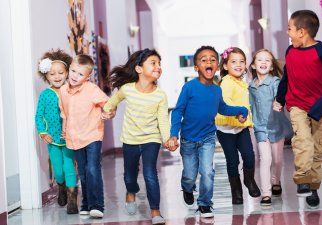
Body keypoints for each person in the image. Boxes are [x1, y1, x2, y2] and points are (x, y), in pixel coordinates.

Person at [166, 46, 248, 218]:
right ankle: (187, 187)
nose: (209, 62)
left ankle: (204, 203)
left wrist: (241, 109)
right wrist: (174, 134)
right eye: (203, 60)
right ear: (196, 67)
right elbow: (178, 111)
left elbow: (223, 108)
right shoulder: (189, 87)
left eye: (212, 59)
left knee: (208, 171)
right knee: (189, 174)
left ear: (217, 66)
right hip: (188, 138)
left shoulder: (217, 90)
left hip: (208, 137)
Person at [274, 10, 322, 209]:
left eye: (290, 29)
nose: (288, 33)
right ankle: (302, 178)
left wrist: (321, 104)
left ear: (302, 32)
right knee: (303, 141)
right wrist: (280, 98)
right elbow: (286, 78)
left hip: (320, 109)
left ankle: (313, 187)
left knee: (317, 151)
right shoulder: (290, 51)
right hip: (297, 106)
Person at [103, 49, 168, 225]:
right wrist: (108, 112)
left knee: (150, 173)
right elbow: (111, 102)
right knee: (130, 176)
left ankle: (155, 211)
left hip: (151, 139)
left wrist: (166, 138)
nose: (158, 67)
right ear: (139, 69)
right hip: (130, 139)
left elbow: (162, 119)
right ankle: (130, 192)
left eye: (159, 64)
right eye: (153, 63)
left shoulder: (160, 95)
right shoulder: (127, 89)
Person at [59, 54, 113, 218]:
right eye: (73, 71)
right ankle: (86, 203)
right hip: (74, 137)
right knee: (82, 171)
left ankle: (97, 205)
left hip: (92, 135)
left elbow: (108, 105)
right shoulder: (63, 90)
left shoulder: (92, 90)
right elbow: (64, 113)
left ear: (87, 76)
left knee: (92, 168)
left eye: (80, 74)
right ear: (69, 69)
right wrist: (64, 128)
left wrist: (108, 113)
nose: (75, 76)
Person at [215, 47, 261, 205]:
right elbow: (226, 104)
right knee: (232, 160)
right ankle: (236, 191)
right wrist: (237, 114)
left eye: (242, 61)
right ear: (225, 66)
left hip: (240, 128)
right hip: (225, 130)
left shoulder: (242, 82)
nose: (239, 65)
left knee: (249, 155)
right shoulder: (226, 83)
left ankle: (249, 180)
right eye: (233, 62)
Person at [35, 49, 78, 214]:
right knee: (59, 171)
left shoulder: (71, 91)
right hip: (52, 139)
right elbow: (39, 115)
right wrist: (43, 132)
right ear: (46, 76)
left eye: (61, 72)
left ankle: (72, 199)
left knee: (69, 168)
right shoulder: (45, 95)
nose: (57, 76)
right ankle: (61, 186)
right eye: (52, 73)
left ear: (67, 73)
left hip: (69, 138)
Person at [248, 49, 293, 206]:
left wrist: (277, 102)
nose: (263, 63)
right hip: (260, 127)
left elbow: (279, 95)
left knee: (278, 160)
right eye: (260, 60)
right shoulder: (251, 86)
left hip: (276, 126)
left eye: (267, 60)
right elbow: (250, 105)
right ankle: (266, 193)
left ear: (272, 66)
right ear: (253, 65)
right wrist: (248, 119)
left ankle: (276, 181)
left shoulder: (275, 82)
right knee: (265, 159)